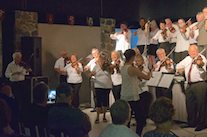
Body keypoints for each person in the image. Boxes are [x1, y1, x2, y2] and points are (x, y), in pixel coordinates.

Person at [176, 45, 207, 131]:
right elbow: (178, 65)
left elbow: (203, 72)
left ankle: (202, 124)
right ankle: (191, 122)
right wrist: (179, 69)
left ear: (197, 51)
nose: (194, 53)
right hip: (189, 84)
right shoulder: (187, 59)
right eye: (191, 52)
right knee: (190, 104)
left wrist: (199, 65)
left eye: (195, 51)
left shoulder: (202, 58)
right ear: (188, 52)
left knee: (201, 105)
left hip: (200, 84)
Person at [121, 49, 152, 136]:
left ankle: (127, 134)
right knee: (141, 118)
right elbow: (146, 77)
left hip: (124, 94)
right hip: (132, 95)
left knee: (127, 118)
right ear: (133, 57)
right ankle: (137, 135)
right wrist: (150, 72)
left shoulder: (123, 67)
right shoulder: (132, 68)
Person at [89, 51, 113, 124]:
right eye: (102, 59)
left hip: (107, 86)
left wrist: (111, 67)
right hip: (98, 86)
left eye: (105, 59)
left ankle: (104, 116)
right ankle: (97, 116)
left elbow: (112, 72)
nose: (104, 61)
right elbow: (89, 75)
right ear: (99, 59)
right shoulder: (96, 67)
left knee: (105, 101)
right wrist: (91, 74)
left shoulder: (108, 67)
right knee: (98, 101)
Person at [134, 54, 152, 128]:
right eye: (136, 61)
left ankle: (143, 121)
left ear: (142, 61)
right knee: (137, 108)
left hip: (144, 90)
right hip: (137, 90)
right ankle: (137, 120)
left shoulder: (145, 70)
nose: (137, 62)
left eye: (139, 61)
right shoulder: (135, 69)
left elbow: (145, 79)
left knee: (143, 107)